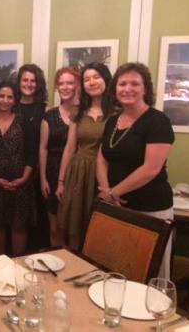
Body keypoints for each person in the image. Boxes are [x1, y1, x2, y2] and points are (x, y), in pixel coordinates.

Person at [97, 62, 174, 279]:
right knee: (120, 266)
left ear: (145, 89)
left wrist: (114, 193)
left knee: (152, 270)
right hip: (116, 207)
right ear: (115, 89)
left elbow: (151, 169)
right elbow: (102, 156)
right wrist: (105, 190)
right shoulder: (113, 121)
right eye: (122, 83)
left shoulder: (158, 121)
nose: (127, 89)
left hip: (150, 208)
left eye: (134, 83)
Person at [56, 62, 113, 250]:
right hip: (79, 173)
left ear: (106, 80)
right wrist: (61, 181)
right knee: (75, 226)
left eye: (96, 77)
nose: (92, 82)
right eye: (87, 79)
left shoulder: (116, 113)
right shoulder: (78, 112)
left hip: (106, 174)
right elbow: (69, 148)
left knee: (101, 227)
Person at [0, 81, 36, 255]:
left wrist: (24, 178)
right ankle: (0, 265)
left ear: (15, 100)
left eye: (9, 97)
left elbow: (32, 153)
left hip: (21, 183)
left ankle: (18, 265)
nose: (5, 100)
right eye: (1, 96)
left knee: (19, 226)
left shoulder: (24, 122)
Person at [39, 67, 80, 246]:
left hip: (78, 173)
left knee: (75, 229)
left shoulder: (85, 114)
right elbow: (43, 148)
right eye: (61, 83)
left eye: (70, 82)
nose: (65, 87)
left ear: (78, 85)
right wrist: (43, 179)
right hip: (53, 173)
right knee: (55, 228)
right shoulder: (50, 115)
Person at [15, 63, 50, 250]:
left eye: (33, 81)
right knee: (17, 218)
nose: (28, 84)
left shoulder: (46, 109)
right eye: (25, 80)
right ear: (18, 82)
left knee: (39, 215)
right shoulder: (9, 105)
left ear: (38, 84)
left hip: (39, 170)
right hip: (15, 170)